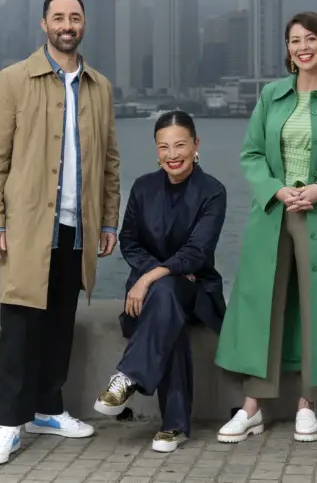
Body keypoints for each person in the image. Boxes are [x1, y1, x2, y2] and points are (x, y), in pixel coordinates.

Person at [0, 0, 121, 466]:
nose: (67, 24)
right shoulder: (14, 79)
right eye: (58, 16)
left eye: (75, 17)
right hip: (27, 227)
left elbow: (110, 162)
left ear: (84, 24)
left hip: (77, 229)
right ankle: (8, 424)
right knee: (19, 326)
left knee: (60, 322)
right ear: (44, 25)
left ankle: (48, 408)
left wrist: (107, 221)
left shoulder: (99, 85)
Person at [214, 11, 317, 443]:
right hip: (273, 211)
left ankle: (308, 403)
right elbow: (251, 155)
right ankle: (251, 408)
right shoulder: (271, 96)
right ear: (288, 49)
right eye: (295, 41)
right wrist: (278, 191)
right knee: (265, 304)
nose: (302, 47)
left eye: (311, 39)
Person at [92, 110, 227, 453]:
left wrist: (149, 277)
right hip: (156, 293)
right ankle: (175, 427)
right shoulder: (143, 187)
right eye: (164, 147)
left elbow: (198, 252)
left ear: (196, 145)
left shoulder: (213, 191)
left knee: (167, 294)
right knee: (167, 304)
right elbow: (130, 241)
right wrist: (161, 274)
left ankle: (128, 377)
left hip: (197, 291)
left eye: (180, 145)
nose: (172, 155)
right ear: (156, 150)